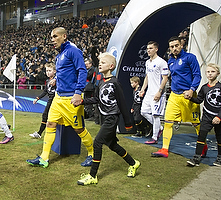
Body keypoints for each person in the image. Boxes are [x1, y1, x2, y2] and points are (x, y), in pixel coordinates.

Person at [26, 27, 94, 168]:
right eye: (51, 37)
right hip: (58, 97)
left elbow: (82, 70)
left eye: (55, 36)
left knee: (79, 129)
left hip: (71, 98)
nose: (52, 39)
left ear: (64, 36)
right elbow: (64, 71)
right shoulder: (60, 54)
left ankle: (92, 154)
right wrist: (56, 78)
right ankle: (44, 158)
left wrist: (78, 92)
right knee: (50, 124)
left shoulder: (73, 51)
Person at [76, 52, 140, 186]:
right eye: (100, 63)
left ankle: (92, 175)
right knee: (112, 145)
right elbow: (97, 99)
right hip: (104, 118)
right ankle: (133, 163)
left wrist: (128, 122)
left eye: (103, 63)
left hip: (112, 118)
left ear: (111, 66)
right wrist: (82, 101)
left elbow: (122, 103)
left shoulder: (115, 82)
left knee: (97, 143)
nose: (100, 64)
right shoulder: (100, 82)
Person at [151, 36, 207, 158]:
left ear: (181, 45)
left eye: (176, 45)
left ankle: (203, 146)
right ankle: (164, 149)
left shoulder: (190, 57)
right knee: (168, 122)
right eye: (172, 47)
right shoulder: (170, 61)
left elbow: (197, 75)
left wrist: (192, 90)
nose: (174, 48)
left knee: (196, 123)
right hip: (174, 96)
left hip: (188, 96)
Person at [186, 63, 221, 167]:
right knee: (201, 136)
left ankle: (220, 157)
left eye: (212, 71)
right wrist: (190, 98)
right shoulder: (204, 87)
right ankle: (196, 157)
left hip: (218, 117)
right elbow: (199, 100)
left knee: (219, 137)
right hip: (206, 117)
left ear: (218, 73)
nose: (210, 74)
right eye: (208, 72)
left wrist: (219, 117)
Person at [140, 41, 169, 144]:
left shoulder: (161, 62)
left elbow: (165, 78)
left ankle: (155, 138)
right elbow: (147, 76)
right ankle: (160, 128)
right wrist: (143, 89)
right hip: (149, 93)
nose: (148, 50)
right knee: (143, 111)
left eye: (151, 48)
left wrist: (159, 92)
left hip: (158, 93)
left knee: (156, 115)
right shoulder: (147, 62)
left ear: (156, 49)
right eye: (147, 48)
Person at [29, 63, 56, 138]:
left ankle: (40, 133)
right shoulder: (47, 81)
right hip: (50, 100)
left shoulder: (58, 79)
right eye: (47, 70)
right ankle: (39, 133)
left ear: (55, 71)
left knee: (48, 116)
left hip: (56, 100)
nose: (48, 72)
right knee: (45, 116)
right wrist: (37, 98)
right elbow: (45, 91)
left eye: (50, 70)